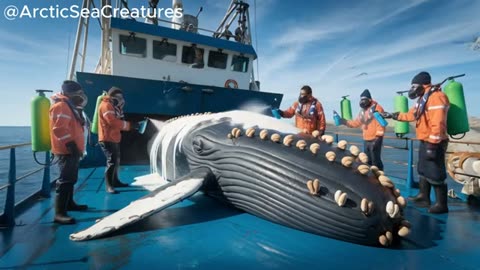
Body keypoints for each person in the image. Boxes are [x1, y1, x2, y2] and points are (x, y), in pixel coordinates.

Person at [383, 71, 450, 214]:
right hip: (425, 140)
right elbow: (412, 115)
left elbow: (438, 123)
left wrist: (433, 143)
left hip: (435, 142)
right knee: (423, 169)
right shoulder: (422, 100)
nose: (411, 89)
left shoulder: (437, 97)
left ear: (423, 85)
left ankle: (442, 204)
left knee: (436, 172)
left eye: (414, 85)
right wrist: (393, 115)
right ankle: (423, 197)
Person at [49, 80, 89, 224]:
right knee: (65, 180)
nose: (81, 96)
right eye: (78, 93)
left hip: (73, 149)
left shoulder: (69, 106)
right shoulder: (61, 106)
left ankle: (70, 203)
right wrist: (71, 145)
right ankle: (59, 214)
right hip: (66, 150)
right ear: (70, 94)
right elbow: (59, 129)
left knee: (71, 178)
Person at [98, 87, 138, 194]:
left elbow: (119, 121)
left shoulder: (115, 107)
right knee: (111, 162)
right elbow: (112, 122)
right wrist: (130, 126)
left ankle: (115, 181)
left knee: (116, 161)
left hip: (114, 137)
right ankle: (109, 186)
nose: (121, 99)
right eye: (118, 97)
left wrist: (120, 109)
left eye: (122, 97)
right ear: (112, 97)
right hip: (107, 138)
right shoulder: (106, 105)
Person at [340, 89, 385, 170]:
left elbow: (381, 124)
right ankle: (370, 178)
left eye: (364, 99)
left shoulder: (378, 108)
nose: (362, 102)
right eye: (361, 99)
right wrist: (344, 122)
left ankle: (379, 178)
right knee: (367, 161)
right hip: (366, 139)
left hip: (375, 139)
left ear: (369, 99)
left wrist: (378, 138)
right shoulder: (363, 111)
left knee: (376, 161)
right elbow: (356, 123)